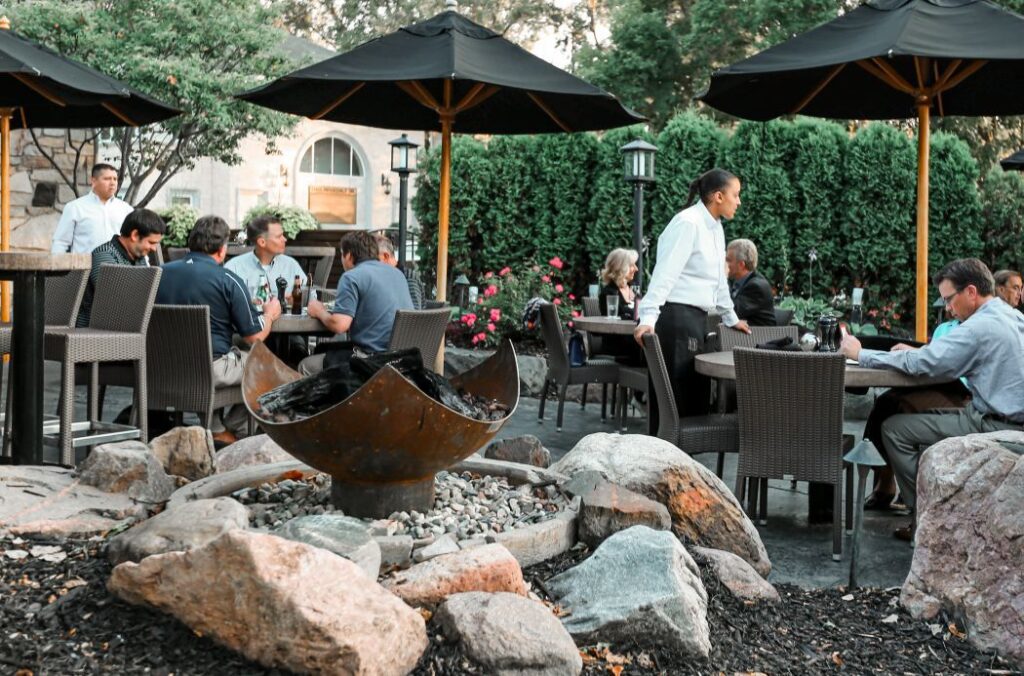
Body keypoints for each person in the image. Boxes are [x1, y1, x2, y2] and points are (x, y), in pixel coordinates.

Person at [841, 258, 1024, 541]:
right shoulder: (1011, 315)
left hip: (997, 426)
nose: (948, 307)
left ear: (972, 292)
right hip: (1004, 417)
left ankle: (931, 520)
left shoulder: (979, 327)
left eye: (949, 299)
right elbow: (939, 356)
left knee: (894, 430)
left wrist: (859, 353)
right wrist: (917, 354)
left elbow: (922, 365)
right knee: (896, 408)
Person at [634, 168, 750, 420]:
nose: (739, 201)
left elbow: (719, 281)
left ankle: (683, 460)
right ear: (718, 196)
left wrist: (731, 318)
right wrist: (647, 319)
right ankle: (663, 458)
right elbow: (665, 275)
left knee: (694, 401)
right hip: (675, 321)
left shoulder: (715, 228)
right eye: (736, 194)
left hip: (695, 322)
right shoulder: (688, 223)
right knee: (676, 404)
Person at [155, 215, 282, 444]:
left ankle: (216, 427)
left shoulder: (158, 273)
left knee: (224, 349)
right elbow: (254, 337)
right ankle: (230, 430)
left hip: (158, 367)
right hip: (209, 369)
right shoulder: (227, 279)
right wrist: (270, 315)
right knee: (270, 369)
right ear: (223, 249)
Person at [298, 231, 413, 376]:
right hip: (402, 359)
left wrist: (319, 311)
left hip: (371, 360)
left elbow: (340, 325)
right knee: (322, 349)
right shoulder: (397, 274)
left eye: (341, 254)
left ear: (349, 255)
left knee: (305, 365)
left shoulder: (352, 277)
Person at [77, 209, 166, 327]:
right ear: (134, 235)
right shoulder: (104, 255)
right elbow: (117, 299)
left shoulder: (139, 258)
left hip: (125, 328)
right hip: (95, 331)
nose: (154, 249)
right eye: (151, 242)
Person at [51, 164, 134, 254]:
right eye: (107, 179)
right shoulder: (75, 208)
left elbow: (136, 242)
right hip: (84, 266)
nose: (113, 183)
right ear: (93, 181)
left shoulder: (126, 209)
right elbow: (61, 242)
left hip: (119, 267)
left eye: (115, 179)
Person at [224, 215, 307, 301]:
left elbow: (310, 297)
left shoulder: (291, 265)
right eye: (279, 236)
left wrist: (296, 300)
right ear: (262, 242)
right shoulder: (234, 268)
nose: (285, 239)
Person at [596, 248, 643, 364]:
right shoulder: (609, 293)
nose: (636, 269)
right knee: (652, 351)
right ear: (621, 267)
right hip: (618, 348)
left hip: (633, 342)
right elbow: (612, 324)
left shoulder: (634, 290)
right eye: (632, 265)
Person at [725, 238, 776, 327]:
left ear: (741, 265)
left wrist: (723, 278)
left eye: (728, 260)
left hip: (758, 337)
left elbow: (731, 312)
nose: (725, 264)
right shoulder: (739, 281)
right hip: (737, 335)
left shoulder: (756, 286)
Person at [374, 232, 424, 309]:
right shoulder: (384, 277)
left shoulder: (408, 277)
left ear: (385, 256)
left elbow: (414, 314)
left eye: (373, 259)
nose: (369, 265)